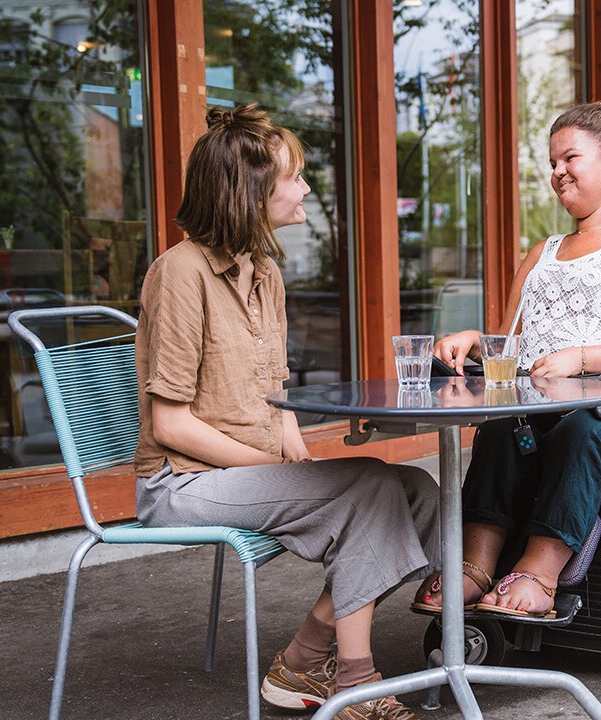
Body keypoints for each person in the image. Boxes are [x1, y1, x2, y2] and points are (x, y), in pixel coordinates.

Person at [133, 104, 437, 720]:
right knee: (372, 489)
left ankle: (303, 655)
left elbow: (277, 394)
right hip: (182, 482)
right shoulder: (180, 274)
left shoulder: (265, 273)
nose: (305, 187)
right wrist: (285, 467)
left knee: (418, 491)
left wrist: (298, 458)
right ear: (250, 191)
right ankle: (354, 685)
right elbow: (170, 424)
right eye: (294, 177)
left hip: (247, 471)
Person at [421, 102, 601, 618]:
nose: (557, 172)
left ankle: (540, 575)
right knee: (498, 432)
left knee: (580, 431)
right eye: (552, 163)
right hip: (535, 402)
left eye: (570, 158)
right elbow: (510, 343)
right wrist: (476, 338)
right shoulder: (541, 252)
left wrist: (580, 358)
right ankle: (476, 566)